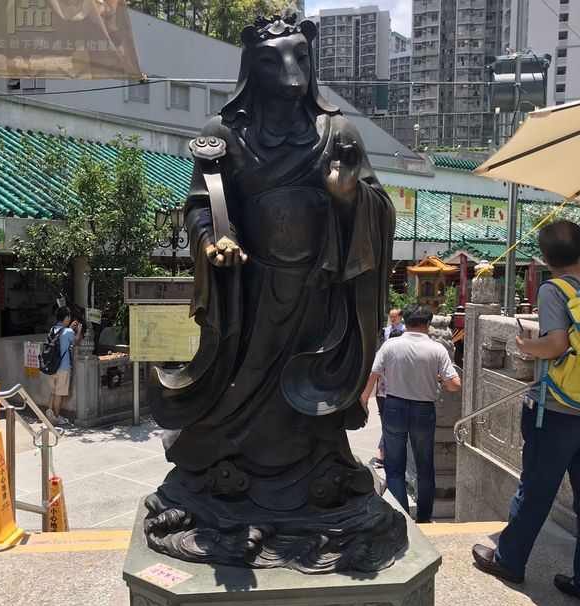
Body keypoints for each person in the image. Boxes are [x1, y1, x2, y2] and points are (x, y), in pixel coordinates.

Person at [144, 15, 406, 573]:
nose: (289, 72)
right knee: (242, 380)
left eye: (299, 59)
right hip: (253, 287)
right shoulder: (227, 132)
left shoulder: (337, 132)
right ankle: (221, 464)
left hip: (319, 289)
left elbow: (379, 206)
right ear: (251, 70)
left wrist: (346, 195)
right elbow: (201, 200)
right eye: (271, 61)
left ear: (310, 64)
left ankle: (317, 476)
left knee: (310, 392)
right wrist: (216, 235)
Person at [472, 219, 580, 600]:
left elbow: (554, 345)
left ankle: (509, 559)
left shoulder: (555, 290)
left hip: (557, 408)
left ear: (546, 257)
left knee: (535, 487)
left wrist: (524, 345)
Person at [361, 303, 461, 523]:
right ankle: (424, 518)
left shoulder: (391, 346)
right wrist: (437, 378)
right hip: (424, 410)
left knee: (394, 466)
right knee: (424, 466)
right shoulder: (437, 349)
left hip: (395, 407)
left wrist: (364, 402)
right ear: (428, 323)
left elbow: (373, 374)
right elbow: (454, 384)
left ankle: (403, 518)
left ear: (405, 322)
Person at [370, 327, 404, 468]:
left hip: (382, 394)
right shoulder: (401, 353)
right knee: (392, 426)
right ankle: (382, 454)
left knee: (387, 425)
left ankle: (386, 454)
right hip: (395, 394)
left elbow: (374, 373)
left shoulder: (382, 351)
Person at [44, 306, 82, 427]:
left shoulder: (52, 329)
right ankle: (56, 416)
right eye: (69, 317)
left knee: (52, 392)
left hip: (51, 367)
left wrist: (70, 328)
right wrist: (79, 330)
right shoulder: (68, 332)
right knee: (59, 394)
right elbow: (75, 342)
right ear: (66, 317)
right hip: (63, 367)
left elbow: (61, 337)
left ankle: (49, 412)